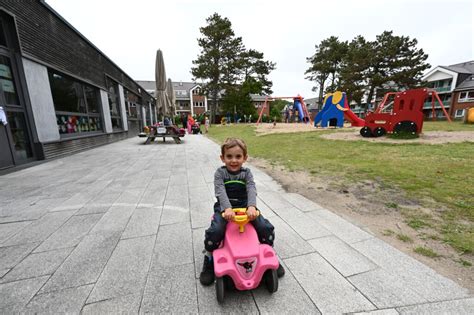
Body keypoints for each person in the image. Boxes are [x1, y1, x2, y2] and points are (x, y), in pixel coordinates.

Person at [199, 138, 285, 285]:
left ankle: (269, 253)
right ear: (222, 158)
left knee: (265, 227)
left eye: (238, 156)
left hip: (246, 207)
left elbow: (251, 188)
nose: (234, 160)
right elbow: (220, 191)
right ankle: (209, 257)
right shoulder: (220, 174)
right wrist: (227, 209)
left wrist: (251, 206)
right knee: (216, 230)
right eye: (229, 156)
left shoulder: (247, 173)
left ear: (245, 158)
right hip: (225, 208)